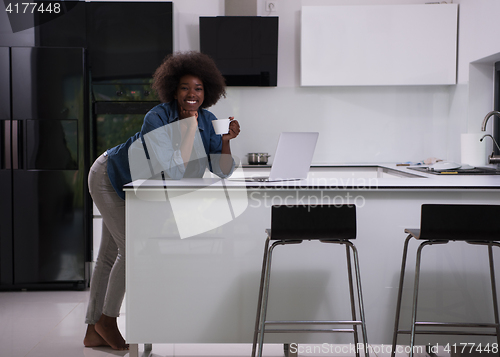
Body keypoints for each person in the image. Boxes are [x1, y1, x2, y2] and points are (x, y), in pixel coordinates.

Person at [83, 51, 240, 350]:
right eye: (185, 87)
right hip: (109, 176)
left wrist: (224, 142)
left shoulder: (208, 120)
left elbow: (221, 171)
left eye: (198, 88)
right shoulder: (157, 117)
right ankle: (107, 319)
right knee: (129, 250)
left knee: (108, 254)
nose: (192, 94)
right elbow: (174, 170)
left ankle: (93, 330)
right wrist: (188, 127)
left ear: (207, 92)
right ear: (173, 89)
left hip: (133, 186)